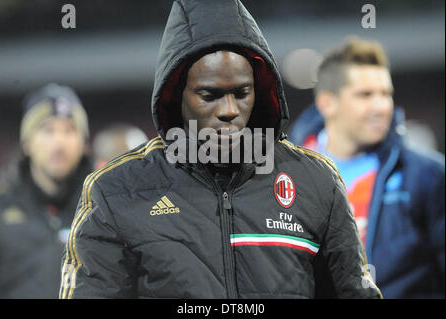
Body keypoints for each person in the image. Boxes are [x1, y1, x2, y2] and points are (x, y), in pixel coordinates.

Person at [59, 0, 381, 299]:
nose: (229, 109)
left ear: (260, 90)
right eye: (210, 95)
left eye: (241, 93)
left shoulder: (317, 182)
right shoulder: (115, 192)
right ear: (177, 95)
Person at [288, 37, 445, 298]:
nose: (381, 107)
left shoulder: (427, 176)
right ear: (328, 103)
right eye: (365, 95)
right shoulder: (287, 176)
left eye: (386, 94)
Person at [0, 83, 93, 298]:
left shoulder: (104, 209)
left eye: (69, 130)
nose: (59, 142)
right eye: (48, 130)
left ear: (84, 143)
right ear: (27, 142)